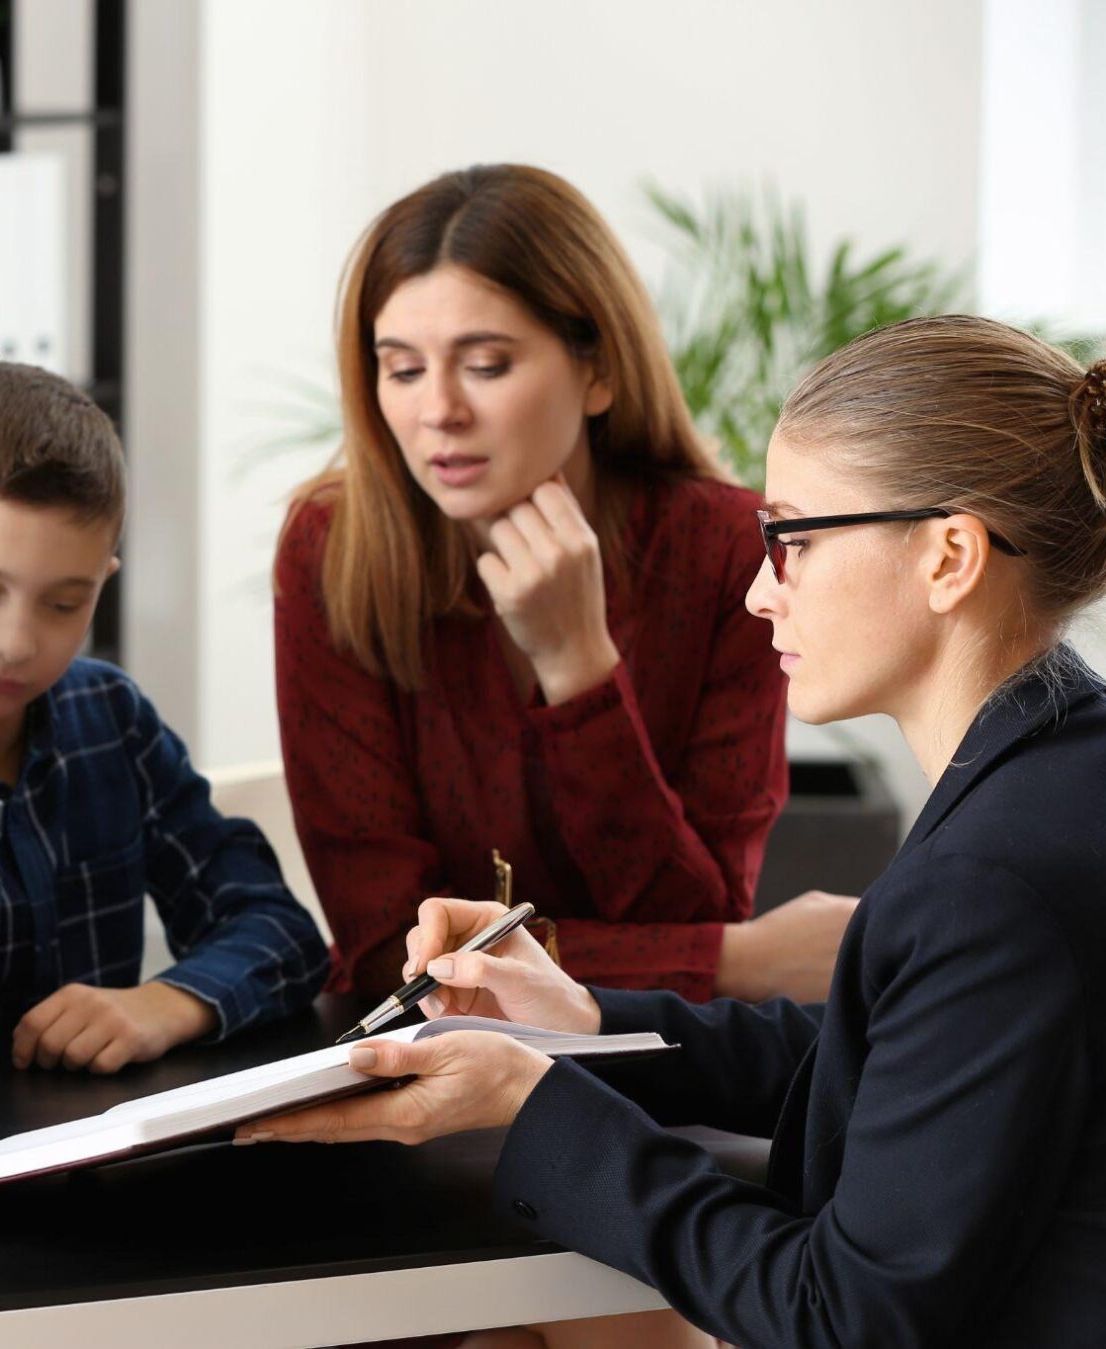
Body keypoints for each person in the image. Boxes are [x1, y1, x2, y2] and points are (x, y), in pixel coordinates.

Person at [241, 317, 1106, 1348]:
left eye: (790, 541)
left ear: (947, 555)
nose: (755, 589)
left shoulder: (988, 879)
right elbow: (893, 1065)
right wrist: (575, 1021)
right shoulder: (1059, 775)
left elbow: (843, 1315)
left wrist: (536, 1105)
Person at [275, 163, 855, 1008]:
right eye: (402, 370)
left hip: (652, 1069)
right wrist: (740, 962)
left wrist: (579, 664)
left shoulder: (727, 550)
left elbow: (692, 914)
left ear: (597, 371)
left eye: (485, 364)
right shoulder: (331, 549)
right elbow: (390, 956)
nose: (438, 410)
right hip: (429, 1072)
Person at [0, 363, 329, 1071]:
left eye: (64, 602)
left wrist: (163, 1004)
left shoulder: (109, 717)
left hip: (94, 1159)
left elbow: (282, 932)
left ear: (103, 582)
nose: (15, 643)